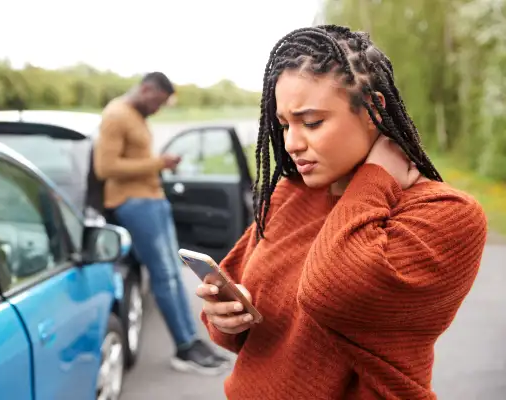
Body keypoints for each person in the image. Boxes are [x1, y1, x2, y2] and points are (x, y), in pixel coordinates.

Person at [196, 25, 487, 399]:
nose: (292, 144)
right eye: (284, 125)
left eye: (312, 122)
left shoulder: (447, 214)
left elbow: (331, 293)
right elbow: (246, 327)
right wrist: (226, 320)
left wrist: (374, 178)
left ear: (374, 111)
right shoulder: (290, 195)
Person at [93, 72, 230, 374]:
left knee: (174, 274)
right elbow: (105, 167)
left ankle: (192, 341)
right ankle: (184, 348)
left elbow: (132, 159)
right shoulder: (117, 114)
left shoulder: (136, 115)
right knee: (165, 276)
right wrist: (159, 163)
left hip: (152, 201)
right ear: (145, 89)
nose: (157, 109)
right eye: (156, 101)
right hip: (134, 204)